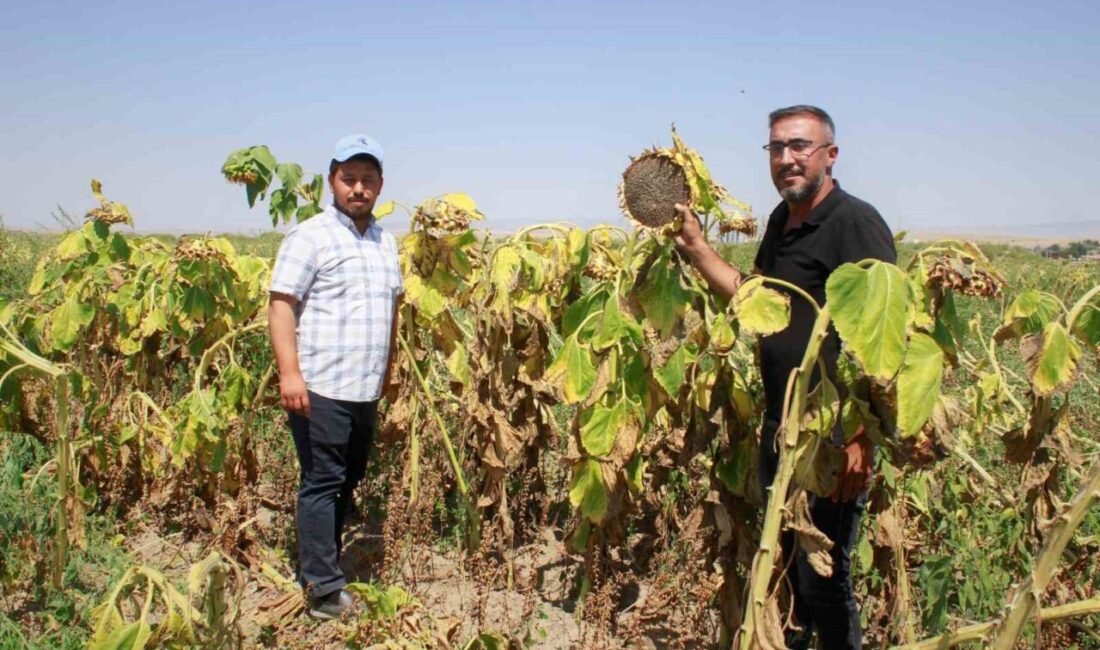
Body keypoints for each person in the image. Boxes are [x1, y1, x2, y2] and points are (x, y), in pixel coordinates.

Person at [673, 105, 895, 649]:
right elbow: (759, 301)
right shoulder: (781, 220)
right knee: (786, 569)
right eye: (777, 148)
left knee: (823, 576)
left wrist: (861, 439)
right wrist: (699, 250)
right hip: (782, 425)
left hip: (830, 435)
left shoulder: (854, 222)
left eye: (800, 146)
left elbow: (885, 338)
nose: (787, 159)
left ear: (830, 155)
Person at [268, 134, 403, 619]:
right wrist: (290, 375)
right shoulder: (310, 236)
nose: (359, 188)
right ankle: (323, 591)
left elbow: (393, 309)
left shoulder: (386, 242)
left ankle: (325, 560)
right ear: (332, 181)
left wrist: (388, 371)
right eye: (349, 179)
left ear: (380, 185)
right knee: (323, 480)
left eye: (368, 180)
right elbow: (281, 305)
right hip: (321, 384)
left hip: (364, 386)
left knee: (350, 476)